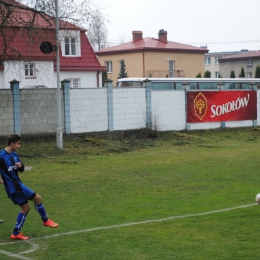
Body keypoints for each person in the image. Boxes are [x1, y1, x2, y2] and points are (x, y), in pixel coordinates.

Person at [0, 134, 59, 240]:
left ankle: (15, 233)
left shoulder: (14, 154)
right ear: (12, 144)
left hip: (17, 185)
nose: (19, 146)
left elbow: (21, 169)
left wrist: (20, 166)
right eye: (18, 143)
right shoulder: (1, 156)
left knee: (26, 208)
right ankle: (45, 220)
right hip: (14, 187)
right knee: (37, 198)